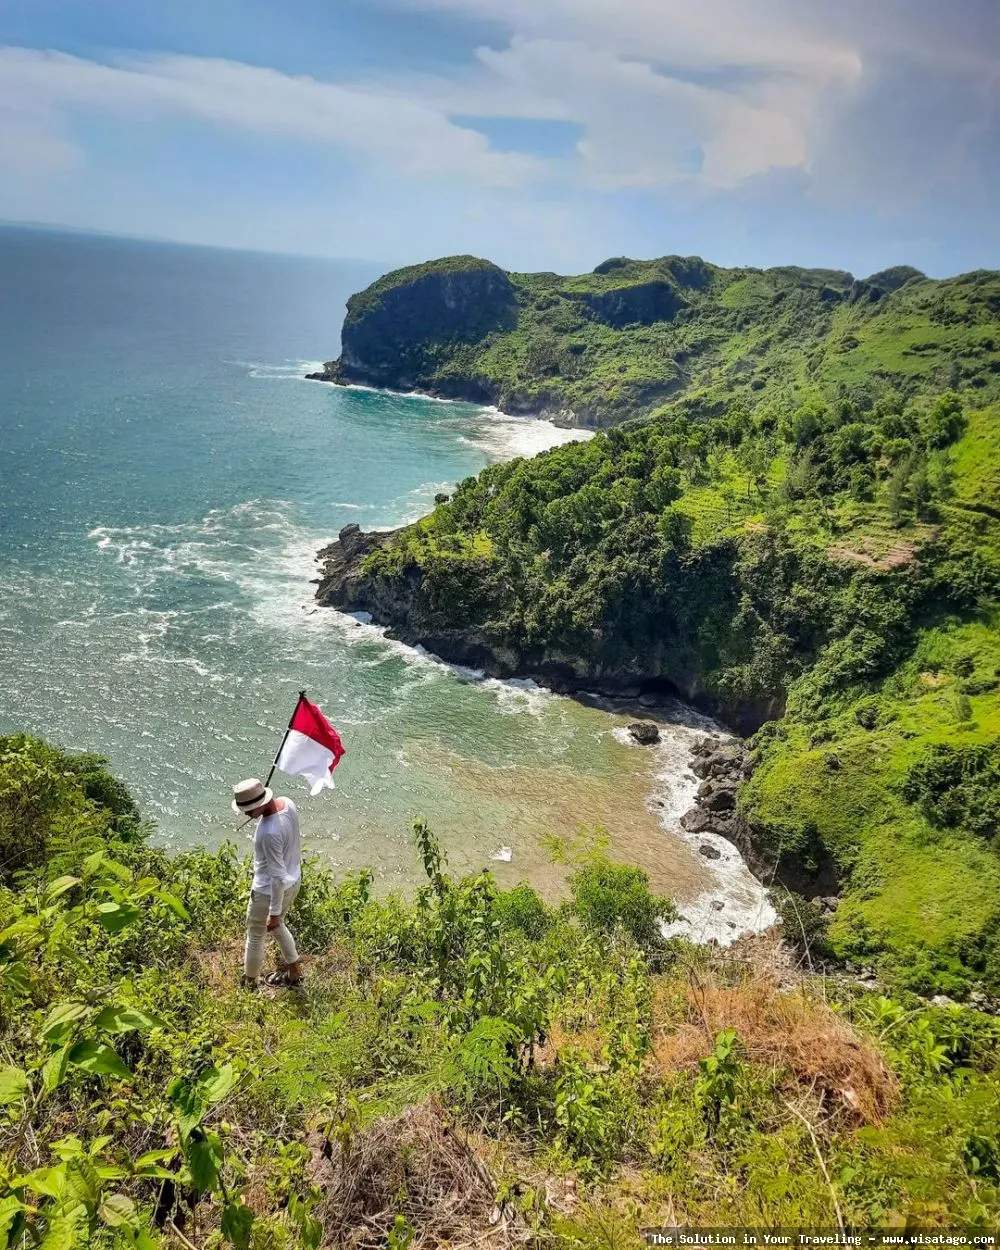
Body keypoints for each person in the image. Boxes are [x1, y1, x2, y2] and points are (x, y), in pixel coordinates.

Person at [232, 777, 304, 988]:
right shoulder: (287, 803)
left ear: (259, 804)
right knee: (278, 925)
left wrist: (273, 912)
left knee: (256, 934)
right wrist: (275, 916)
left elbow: (277, 876)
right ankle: (294, 970)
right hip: (293, 882)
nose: (246, 814)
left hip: (268, 891)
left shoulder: (268, 833)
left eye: (248, 810)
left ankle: (250, 981)